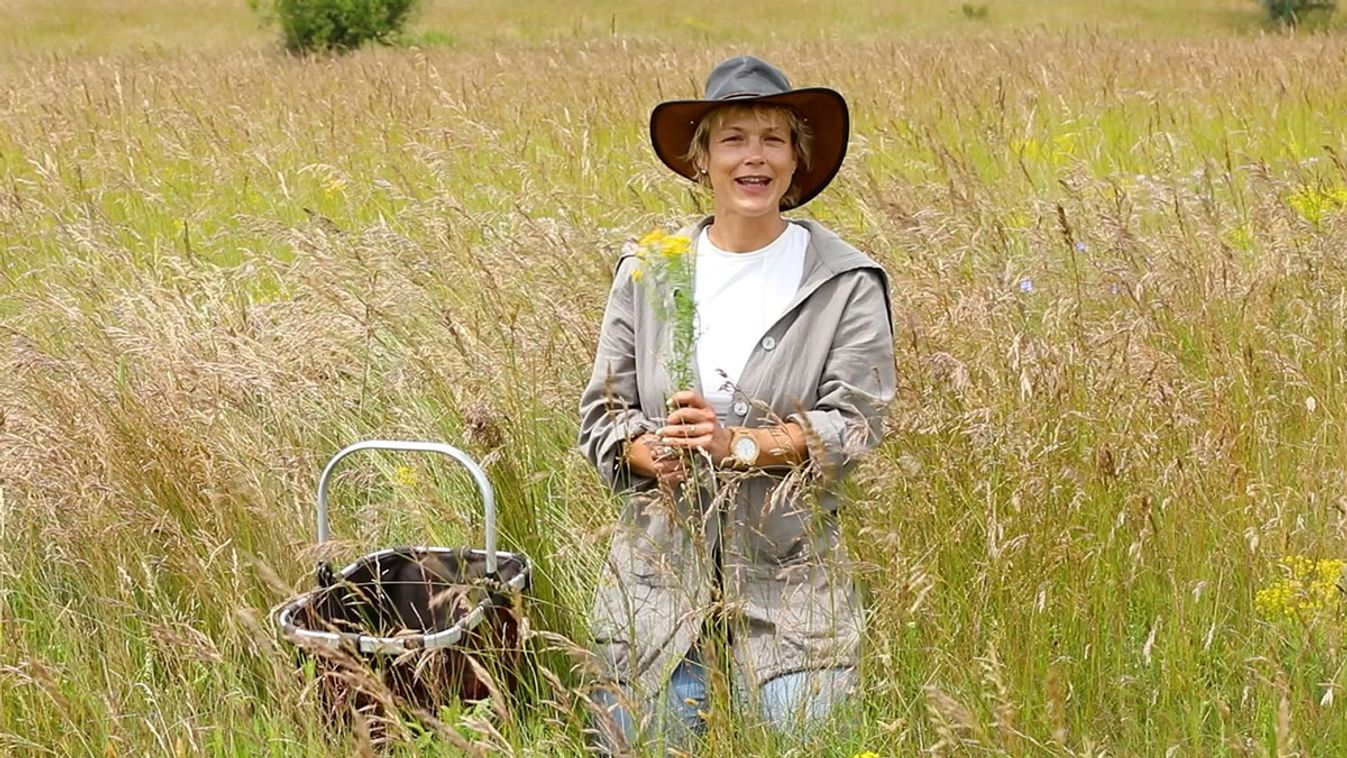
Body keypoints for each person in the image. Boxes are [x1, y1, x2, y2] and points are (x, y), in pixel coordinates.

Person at [577, 55, 895, 753]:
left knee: (807, 739)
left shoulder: (843, 280)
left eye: (772, 139)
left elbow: (855, 425)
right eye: (733, 139)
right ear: (701, 162)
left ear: (796, 162)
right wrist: (649, 453)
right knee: (639, 742)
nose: (753, 157)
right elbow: (601, 413)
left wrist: (739, 446)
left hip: (790, 583)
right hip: (659, 577)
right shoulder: (650, 267)